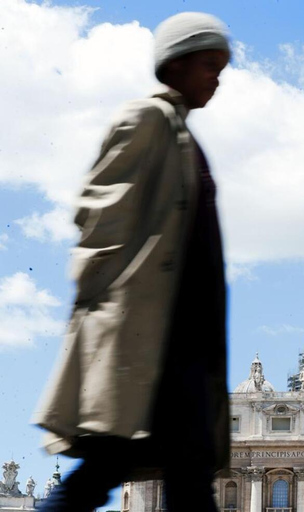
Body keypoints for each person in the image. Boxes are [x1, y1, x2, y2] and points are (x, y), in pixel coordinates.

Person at [31, 12, 231, 512]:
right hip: (148, 341)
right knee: (105, 472)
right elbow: (97, 216)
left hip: (183, 348)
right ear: (177, 64)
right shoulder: (147, 120)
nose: (218, 76)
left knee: (185, 481)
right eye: (209, 64)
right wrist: (110, 309)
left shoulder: (186, 137)